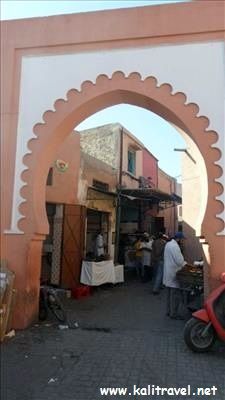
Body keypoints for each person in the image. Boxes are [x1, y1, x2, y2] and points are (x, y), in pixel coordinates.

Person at [163, 232, 187, 319]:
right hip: (174, 272)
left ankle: (168, 311)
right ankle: (174, 314)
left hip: (168, 272)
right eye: (182, 239)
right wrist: (186, 264)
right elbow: (179, 261)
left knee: (169, 294)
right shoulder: (175, 246)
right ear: (179, 239)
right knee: (175, 295)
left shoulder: (168, 244)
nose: (182, 241)